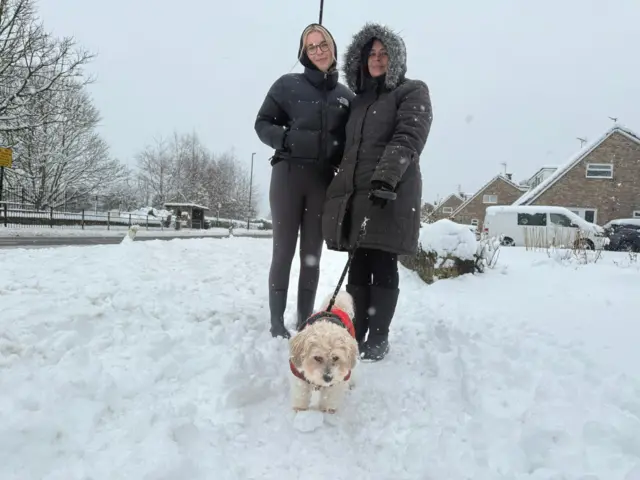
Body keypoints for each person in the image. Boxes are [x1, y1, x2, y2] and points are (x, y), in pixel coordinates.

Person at [321, 23, 433, 361]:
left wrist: (385, 179)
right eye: (372, 53)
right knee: (358, 264)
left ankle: (379, 337)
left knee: (382, 261)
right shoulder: (358, 102)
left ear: (395, 59)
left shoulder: (412, 91)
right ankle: (357, 332)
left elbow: (409, 135)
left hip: (391, 192)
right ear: (361, 58)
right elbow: (347, 148)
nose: (378, 59)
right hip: (357, 196)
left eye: (384, 54)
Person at [255, 23, 355, 339]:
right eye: (311, 47)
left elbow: (351, 140)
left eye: (322, 44)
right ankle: (275, 321)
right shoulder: (287, 85)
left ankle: (304, 321)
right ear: (304, 53)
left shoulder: (345, 96)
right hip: (287, 177)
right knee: (283, 251)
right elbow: (262, 123)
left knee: (311, 255)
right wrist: (284, 139)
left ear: (333, 47)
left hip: (322, 182)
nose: (318, 50)